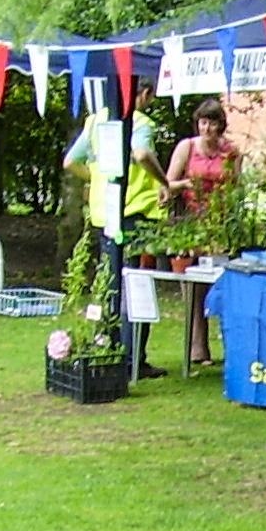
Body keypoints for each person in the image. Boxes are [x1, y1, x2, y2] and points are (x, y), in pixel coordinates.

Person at [62, 79, 171, 377]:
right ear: (144, 93)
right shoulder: (140, 122)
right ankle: (133, 357)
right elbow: (141, 155)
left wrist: (95, 179)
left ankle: (108, 347)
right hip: (136, 213)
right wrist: (165, 182)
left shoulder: (96, 121)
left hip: (104, 214)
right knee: (135, 285)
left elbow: (70, 162)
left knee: (109, 283)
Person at [165, 98, 239, 364]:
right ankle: (197, 347)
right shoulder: (186, 147)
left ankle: (228, 344)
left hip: (219, 224)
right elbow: (168, 183)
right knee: (191, 285)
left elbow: (235, 188)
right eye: (203, 123)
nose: (206, 129)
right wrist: (188, 183)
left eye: (212, 123)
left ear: (221, 126)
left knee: (217, 285)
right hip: (189, 224)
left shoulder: (231, 152)